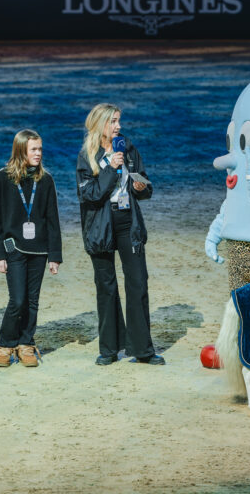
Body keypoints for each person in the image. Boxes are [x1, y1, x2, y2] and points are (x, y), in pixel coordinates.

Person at [76, 103, 163, 366]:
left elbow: (146, 187)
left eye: (119, 121)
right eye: (113, 121)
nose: (118, 126)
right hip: (101, 225)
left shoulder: (129, 149)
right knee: (106, 287)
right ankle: (109, 349)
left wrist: (140, 186)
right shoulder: (86, 156)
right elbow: (89, 195)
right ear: (100, 125)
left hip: (128, 222)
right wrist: (110, 169)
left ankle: (143, 350)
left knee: (138, 282)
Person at [0, 129, 62, 368]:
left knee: (32, 301)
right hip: (13, 248)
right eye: (34, 149)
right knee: (17, 300)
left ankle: (26, 343)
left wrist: (55, 255)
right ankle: (5, 344)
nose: (38, 154)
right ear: (21, 151)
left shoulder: (46, 180)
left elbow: (53, 220)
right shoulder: (2, 178)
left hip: (39, 250)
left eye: (40, 149)